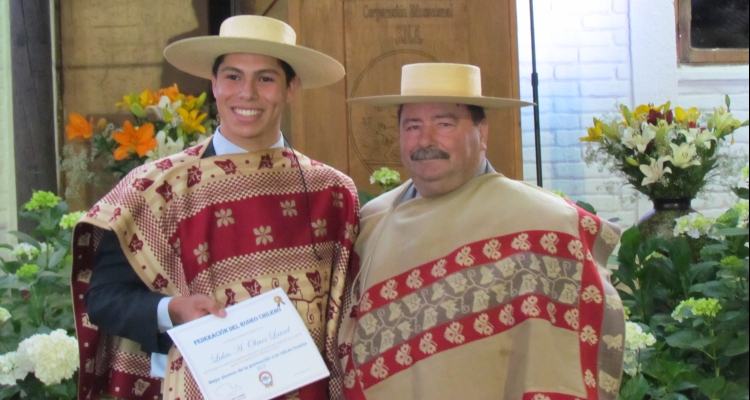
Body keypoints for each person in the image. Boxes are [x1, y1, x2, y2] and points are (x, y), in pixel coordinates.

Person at [71, 15, 359, 400]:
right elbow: (104, 299)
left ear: (292, 88)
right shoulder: (155, 189)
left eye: (266, 79)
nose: (248, 93)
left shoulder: (332, 194)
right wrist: (173, 310)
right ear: (214, 84)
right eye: (234, 77)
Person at [338, 63, 626, 400]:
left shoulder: (543, 225)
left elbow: (579, 336)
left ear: (482, 133)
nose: (425, 140)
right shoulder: (374, 221)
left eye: (444, 124)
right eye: (412, 126)